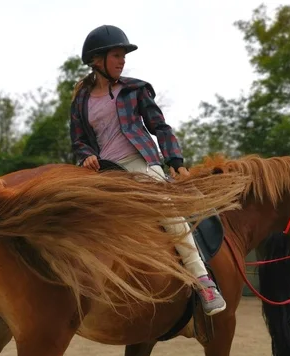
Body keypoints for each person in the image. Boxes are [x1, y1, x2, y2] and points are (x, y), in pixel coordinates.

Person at [69, 24, 226, 316]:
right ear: (96, 60)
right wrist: (86, 156)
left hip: (141, 163)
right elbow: (79, 140)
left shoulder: (136, 90)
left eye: (123, 57)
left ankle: (203, 282)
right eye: (116, 55)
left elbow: (160, 127)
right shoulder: (81, 100)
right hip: (105, 172)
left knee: (170, 213)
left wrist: (175, 161)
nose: (122, 61)